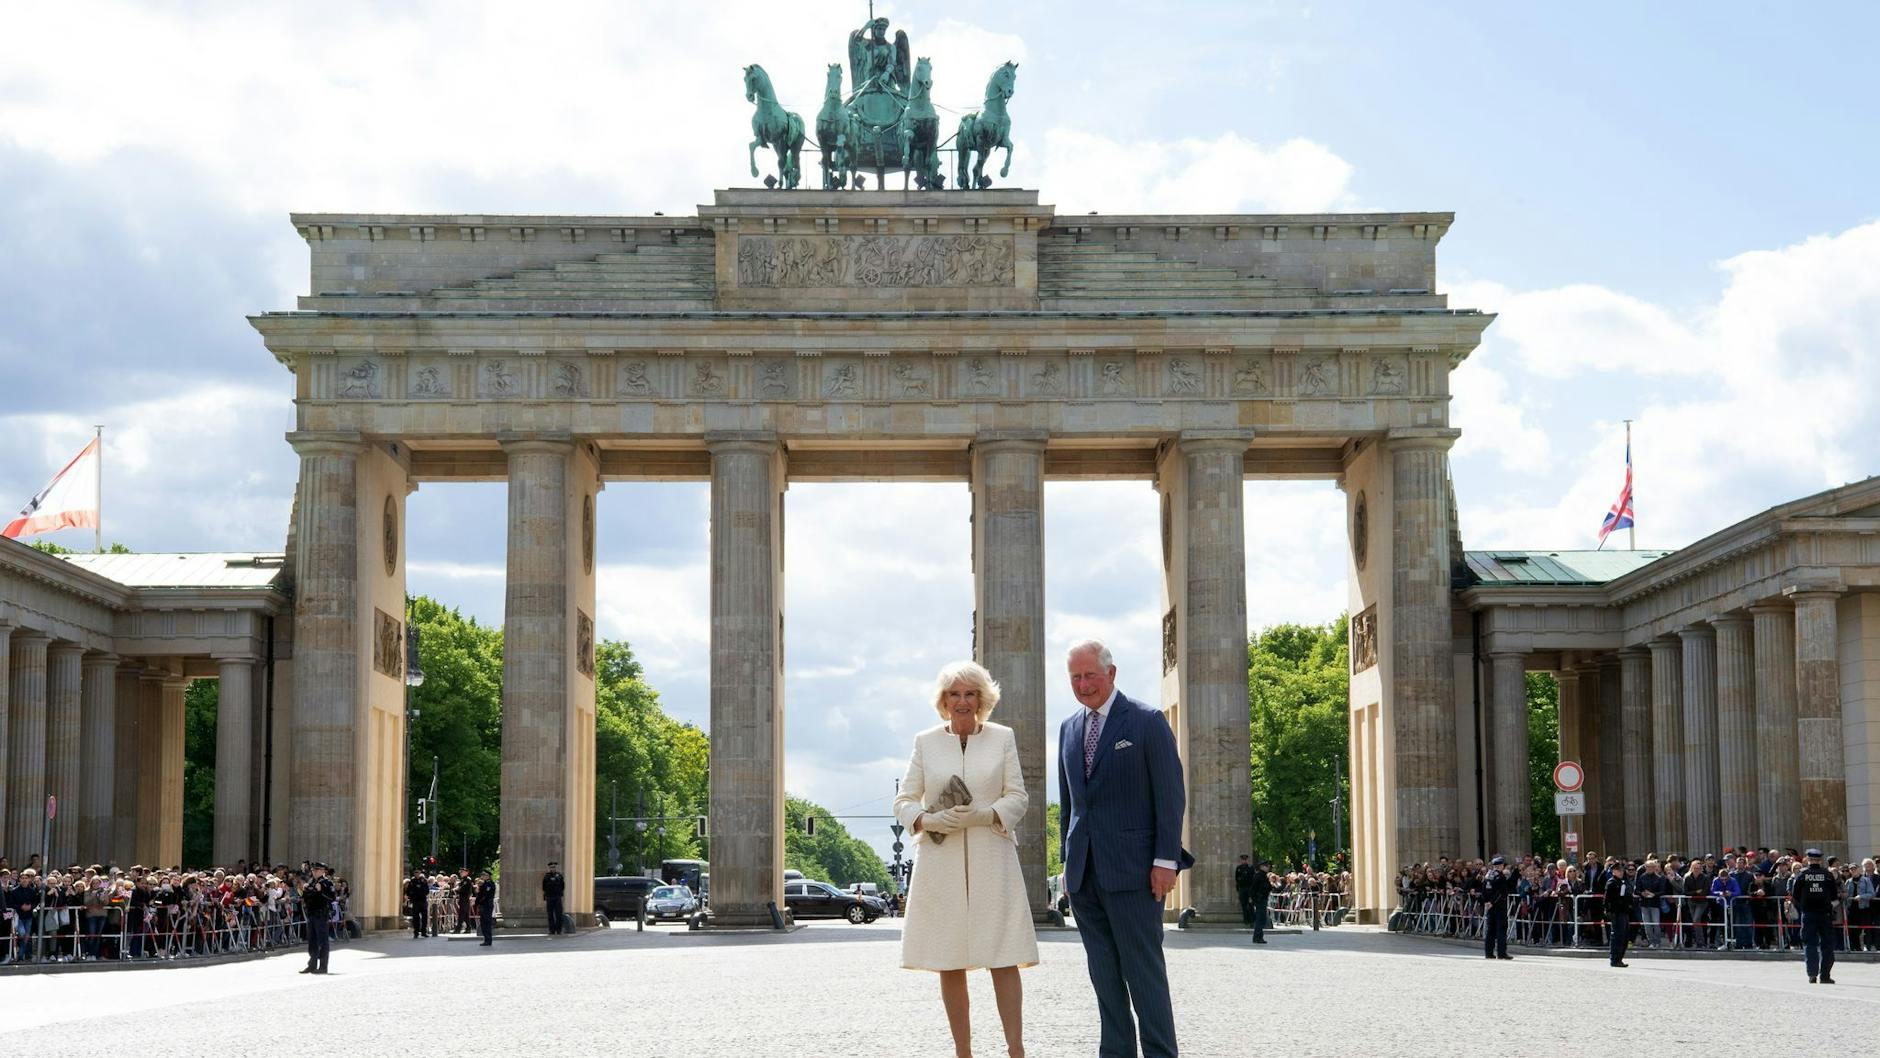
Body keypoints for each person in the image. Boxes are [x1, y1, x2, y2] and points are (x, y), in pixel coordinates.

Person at [893, 660, 1037, 1058]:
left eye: (970, 693)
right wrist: (926, 818)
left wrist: (986, 814)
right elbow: (903, 800)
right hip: (941, 863)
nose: (962, 701)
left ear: (982, 699)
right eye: (954, 694)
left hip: (993, 857)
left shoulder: (1002, 737)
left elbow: (1018, 797)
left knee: (1003, 956)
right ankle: (963, 1052)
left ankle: (1016, 1049)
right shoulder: (925, 742)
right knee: (949, 959)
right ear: (943, 701)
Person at [1058, 639, 1191, 1058]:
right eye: (1075, 677)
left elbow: (1171, 797)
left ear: (1111, 674)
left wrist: (1166, 860)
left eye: (1090, 675)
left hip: (1137, 874)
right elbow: (1070, 807)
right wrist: (1067, 865)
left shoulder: (1147, 721)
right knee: (1104, 979)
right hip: (1084, 877)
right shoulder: (1068, 728)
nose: (1083, 684)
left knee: (1143, 975)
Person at [1792, 848, 1838, 984]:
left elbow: (1795, 896)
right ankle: (1825, 976)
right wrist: (1828, 907)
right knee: (1827, 946)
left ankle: (1812, 974)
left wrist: (1803, 909)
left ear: (1808, 859)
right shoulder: (1828, 875)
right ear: (1820, 860)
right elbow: (1835, 897)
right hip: (1825, 914)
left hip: (1808, 914)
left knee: (1810, 944)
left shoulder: (1802, 875)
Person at [298, 862, 335, 975]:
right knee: (312, 940)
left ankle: (323, 966)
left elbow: (332, 897)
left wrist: (321, 891)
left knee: (322, 941)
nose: (314, 872)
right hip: (311, 913)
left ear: (323, 871)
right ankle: (312, 964)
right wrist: (304, 890)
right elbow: (306, 896)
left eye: (317, 870)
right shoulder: (311, 882)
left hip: (321, 914)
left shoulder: (327, 883)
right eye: (313, 870)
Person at [1477, 856, 1514, 960]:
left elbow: (1483, 891)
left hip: (1489, 906)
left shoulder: (1488, 875)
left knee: (1490, 930)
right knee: (1501, 929)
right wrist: (1492, 902)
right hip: (1499, 906)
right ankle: (1502, 953)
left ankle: (1488, 953)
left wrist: (1486, 902)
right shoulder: (1500, 877)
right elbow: (1501, 893)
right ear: (1501, 865)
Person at [1604, 860, 1636, 967]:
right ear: (1613, 871)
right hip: (1617, 912)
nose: (1621, 872)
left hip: (1625, 911)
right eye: (1618, 870)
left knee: (1625, 936)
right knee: (1617, 936)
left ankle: (1619, 958)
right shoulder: (1612, 883)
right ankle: (1614, 959)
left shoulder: (1624, 881)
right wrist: (1608, 911)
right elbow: (1607, 900)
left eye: (1622, 870)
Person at [1248, 860, 1273, 944]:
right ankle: (1257, 937)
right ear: (1261, 866)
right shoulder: (1258, 876)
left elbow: (1269, 887)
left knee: (1261, 918)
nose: (1268, 867)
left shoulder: (1263, 876)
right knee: (1260, 918)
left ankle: (1258, 937)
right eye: (1266, 866)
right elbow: (1253, 888)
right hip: (1260, 899)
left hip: (1263, 899)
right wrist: (1252, 898)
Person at [404, 868, 429, 940]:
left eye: (418, 872)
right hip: (415, 902)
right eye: (415, 872)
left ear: (420, 873)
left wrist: (421, 893)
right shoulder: (412, 881)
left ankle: (424, 932)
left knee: (424, 917)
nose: (417, 874)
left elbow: (427, 890)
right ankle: (416, 932)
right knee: (416, 918)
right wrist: (413, 896)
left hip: (423, 901)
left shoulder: (424, 881)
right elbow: (408, 891)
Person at [543, 861, 566, 935]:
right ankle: (551, 930)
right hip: (550, 897)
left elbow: (562, 886)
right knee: (550, 915)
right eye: (551, 867)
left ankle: (558, 930)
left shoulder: (559, 876)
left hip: (557, 897)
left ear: (555, 868)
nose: (553, 868)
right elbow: (544, 887)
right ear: (549, 868)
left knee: (559, 914)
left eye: (554, 867)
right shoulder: (546, 876)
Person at [475, 870, 497, 947]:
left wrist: (479, 902)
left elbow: (485, 895)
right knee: (484, 923)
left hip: (486, 905)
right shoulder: (485, 884)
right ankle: (486, 939)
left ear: (488, 876)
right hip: (484, 905)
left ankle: (488, 940)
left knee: (486, 923)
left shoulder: (489, 884)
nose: (482, 876)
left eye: (484, 875)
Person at [1234, 855, 1256, 928]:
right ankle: (1246, 920)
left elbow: (1253, 879)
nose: (1244, 861)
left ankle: (1252, 920)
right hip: (1242, 888)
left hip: (1249, 889)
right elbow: (1237, 878)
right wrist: (1238, 888)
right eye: (1243, 860)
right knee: (1243, 905)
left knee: (1250, 905)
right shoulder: (1239, 868)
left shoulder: (1250, 868)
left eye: (1245, 860)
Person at [455, 868, 474, 933]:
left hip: (465, 899)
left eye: (462, 872)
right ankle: (468, 928)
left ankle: (458, 929)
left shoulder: (467, 880)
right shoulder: (463, 880)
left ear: (466, 873)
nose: (460, 873)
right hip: (462, 898)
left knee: (461, 914)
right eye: (460, 872)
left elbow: (462, 889)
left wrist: (456, 890)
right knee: (465, 915)